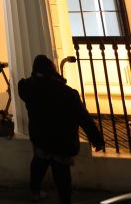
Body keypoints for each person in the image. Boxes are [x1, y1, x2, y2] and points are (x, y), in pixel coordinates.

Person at [18, 54, 105, 204]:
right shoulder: (68, 93)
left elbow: (24, 85)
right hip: (62, 139)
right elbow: (83, 118)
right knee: (61, 172)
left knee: (39, 162)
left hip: (41, 137)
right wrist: (97, 139)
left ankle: (34, 192)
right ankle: (65, 201)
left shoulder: (28, 87)